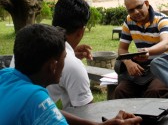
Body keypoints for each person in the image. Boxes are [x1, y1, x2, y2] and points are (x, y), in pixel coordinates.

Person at [0, 24, 142, 124]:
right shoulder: (35, 97)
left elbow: (53, 111)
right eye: (64, 58)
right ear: (53, 66)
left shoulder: (6, 75)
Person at [9, 0, 94, 109]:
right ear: (81, 31)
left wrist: (71, 54)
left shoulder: (26, 46)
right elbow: (88, 112)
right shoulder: (72, 66)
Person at [113, 0, 168, 99]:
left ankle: (145, 116)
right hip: (145, 70)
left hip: (167, 68)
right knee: (120, 90)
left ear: (146, 3)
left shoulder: (162, 20)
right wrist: (128, 62)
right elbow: (122, 48)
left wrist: (148, 51)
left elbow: (165, 44)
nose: (136, 12)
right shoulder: (129, 21)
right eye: (131, 10)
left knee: (154, 91)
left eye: (139, 7)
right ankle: (125, 116)